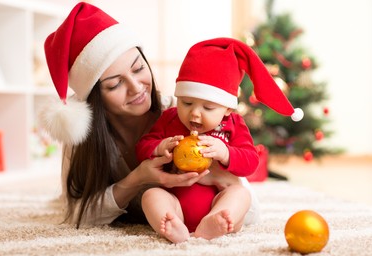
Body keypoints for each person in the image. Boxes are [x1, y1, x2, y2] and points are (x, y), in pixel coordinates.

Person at [39, 2, 215, 228]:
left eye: (138, 68)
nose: (136, 87)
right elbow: (78, 215)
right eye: (115, 84)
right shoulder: (83, 134)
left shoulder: (182, 114)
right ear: (95, 98)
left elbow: (249, 208)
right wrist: (139, 178)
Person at [136, 37, 303, 243]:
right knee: (151, 195)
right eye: (187, 102)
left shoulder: (233, 125)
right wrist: (159, 147)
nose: (195, 114)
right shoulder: (170, 118)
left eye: (208, 108)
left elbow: (251, 162)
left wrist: (225, 153)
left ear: (228, 109)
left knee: (240, 194)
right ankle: (171, 223)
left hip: (217, 199)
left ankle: (216, 221)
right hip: (175, 199)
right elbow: (142, 147)